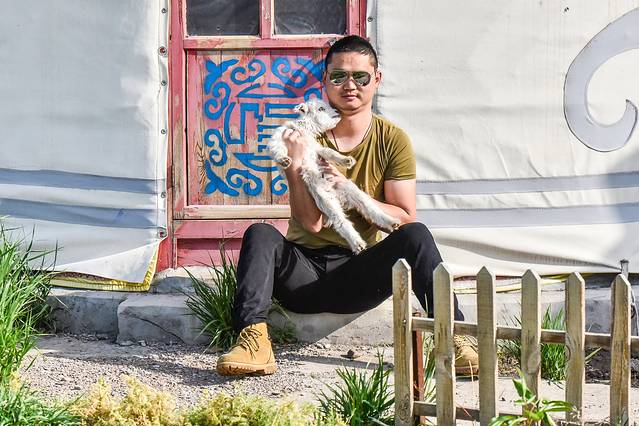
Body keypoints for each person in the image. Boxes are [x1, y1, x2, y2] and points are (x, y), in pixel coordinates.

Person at [216, 35, 478, 376]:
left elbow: (402, 218)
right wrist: (294, 167)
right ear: (325, 81)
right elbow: (311, 223)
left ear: (376, 80)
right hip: (301, 278)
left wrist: (350, 189)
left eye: (360, 77)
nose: (349, 85)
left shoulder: (392, 139)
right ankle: (253, 341)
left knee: (417, 234)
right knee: (260, 233)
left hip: (359, 275)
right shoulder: (304, 136)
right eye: (339, 76)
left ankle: (455, 340)